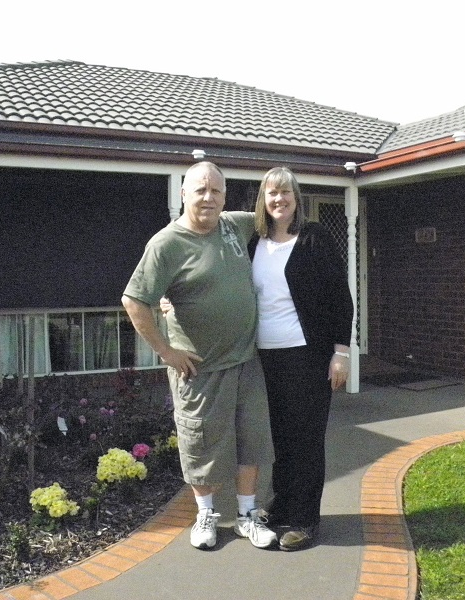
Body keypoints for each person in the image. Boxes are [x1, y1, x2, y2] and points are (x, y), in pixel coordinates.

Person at [122, 161, 277, 551]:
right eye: (200, 190)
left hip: (245, 361)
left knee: (251, 442)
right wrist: (166, 351)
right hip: (199, 368)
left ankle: (246, 516)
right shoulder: (166, 244)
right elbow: (134, 300)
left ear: (225, 196)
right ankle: (206, 514)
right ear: (184, 194)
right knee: (201, 445)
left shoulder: (234, 225)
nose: (208, 198)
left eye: (216, 191)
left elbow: (271, 215)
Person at [250, 166, 353, 551]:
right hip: (269, 356)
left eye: (285, 193)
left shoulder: (314, 238)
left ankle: (305, 519)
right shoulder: (254, 241)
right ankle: (282, 506)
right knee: (282, 437)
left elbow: (340, 300)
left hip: (308, 355)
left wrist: (341, 353)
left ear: (297, 198)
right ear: (263, 200)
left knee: (306, 439)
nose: (279, 200)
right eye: (271, 194)